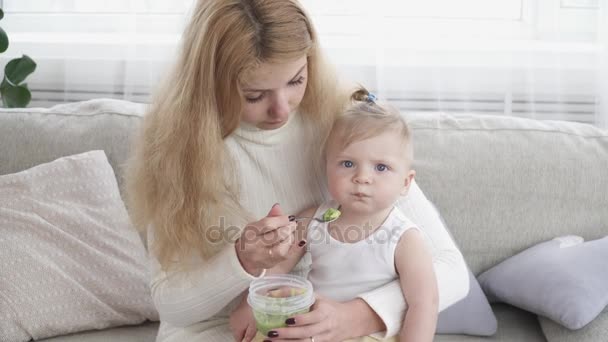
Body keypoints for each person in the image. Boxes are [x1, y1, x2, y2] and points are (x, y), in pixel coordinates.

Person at [125, 0, 468, 341]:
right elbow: (172, 306)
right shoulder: (177, 149)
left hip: (318, 323)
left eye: (295, 81)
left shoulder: (347, 123)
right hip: (216, 329)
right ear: (210, 82)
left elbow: (450, 272)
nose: (281, 110)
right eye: (254, 94)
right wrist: (241, 261)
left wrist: (358, 315)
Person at [233, 88, 439, 342]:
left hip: (370, 334)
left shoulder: (404, 238)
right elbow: (277, 265)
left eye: (381, 167)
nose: (362, 177)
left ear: (406, 183)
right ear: (327, 168)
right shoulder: (315, 219)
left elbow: (424, 303)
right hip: (314, 326)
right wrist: (250, 304)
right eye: (348, 164)